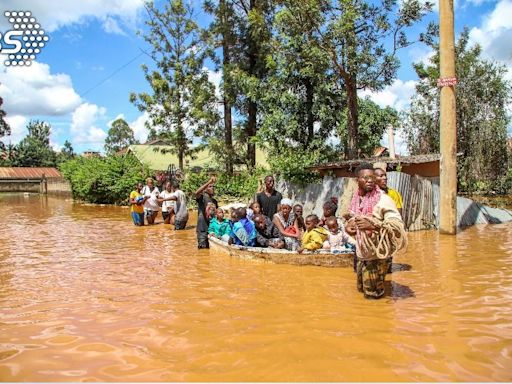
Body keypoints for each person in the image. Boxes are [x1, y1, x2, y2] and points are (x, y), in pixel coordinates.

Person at [344, 163, 407, 300]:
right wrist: (348, 227)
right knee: (361, 291)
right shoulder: (356, 199)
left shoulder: (383, 200)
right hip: (362, 254)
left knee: (373, 297)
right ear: (357, 181)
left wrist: (374, 225)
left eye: (372, 177)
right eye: (365, 178)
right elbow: (351, 217)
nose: (370, 180)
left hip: (376, 257)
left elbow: (397, 225)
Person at [195, 176, 218, 248]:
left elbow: (216, 215)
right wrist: (209, 181)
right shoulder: (202, 198)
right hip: (202, 229)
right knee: (203, 249)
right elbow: (196, 193)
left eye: (213, 186)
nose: (212, 188)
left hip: (211, 229)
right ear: (205, 189)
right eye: (210, 187)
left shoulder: (214, 201)